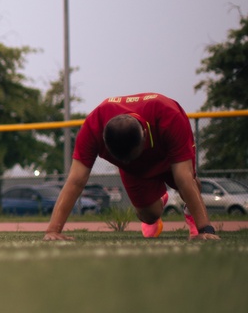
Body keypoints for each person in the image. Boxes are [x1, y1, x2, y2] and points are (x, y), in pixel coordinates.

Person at [43, 92, 219, 242]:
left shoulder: (168, 116)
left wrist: (206, 230)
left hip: (166, 155)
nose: (126, 161)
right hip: (135, 172)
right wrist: (53, 231)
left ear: (144, 135)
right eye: (122, 159)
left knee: (191, 184)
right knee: (148, 216)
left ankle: (192, 215)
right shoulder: (93, 125)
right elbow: (75, 180)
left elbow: (183, 177)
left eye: (130, 156)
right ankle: (161, 198)